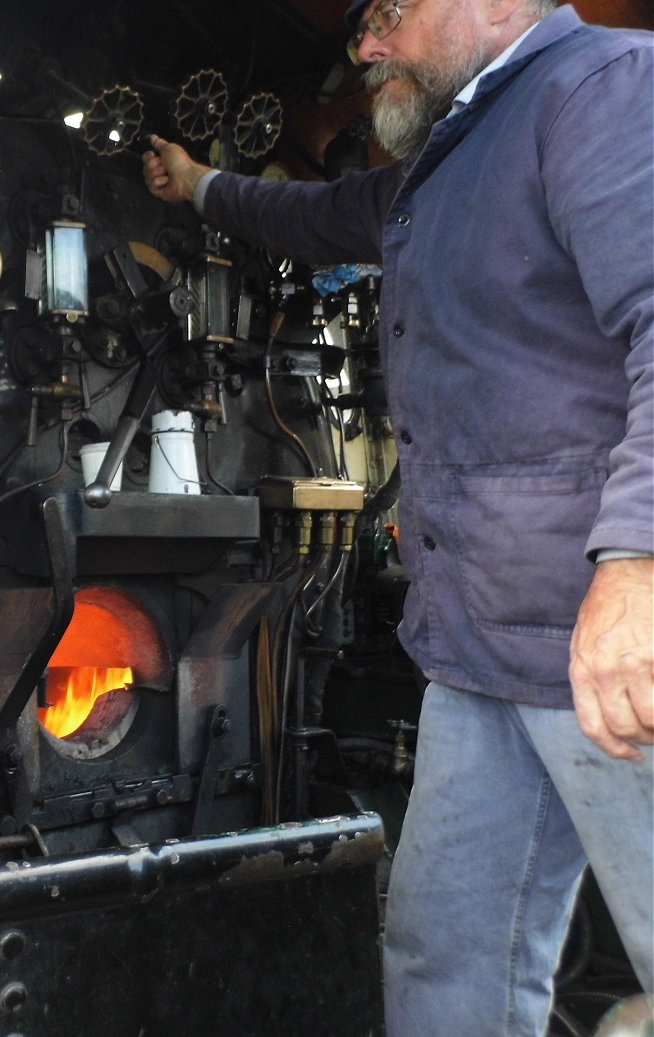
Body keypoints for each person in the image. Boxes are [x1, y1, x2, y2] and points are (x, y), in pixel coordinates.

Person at [143, 2, 653, 1034]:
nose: (365, 46)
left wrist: (634, 562)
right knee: (441, 952)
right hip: (475, 651)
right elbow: (310, 217)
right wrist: (197, 186)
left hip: (603, 641)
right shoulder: (445, 156)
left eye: (389, 13)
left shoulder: (599, 89)